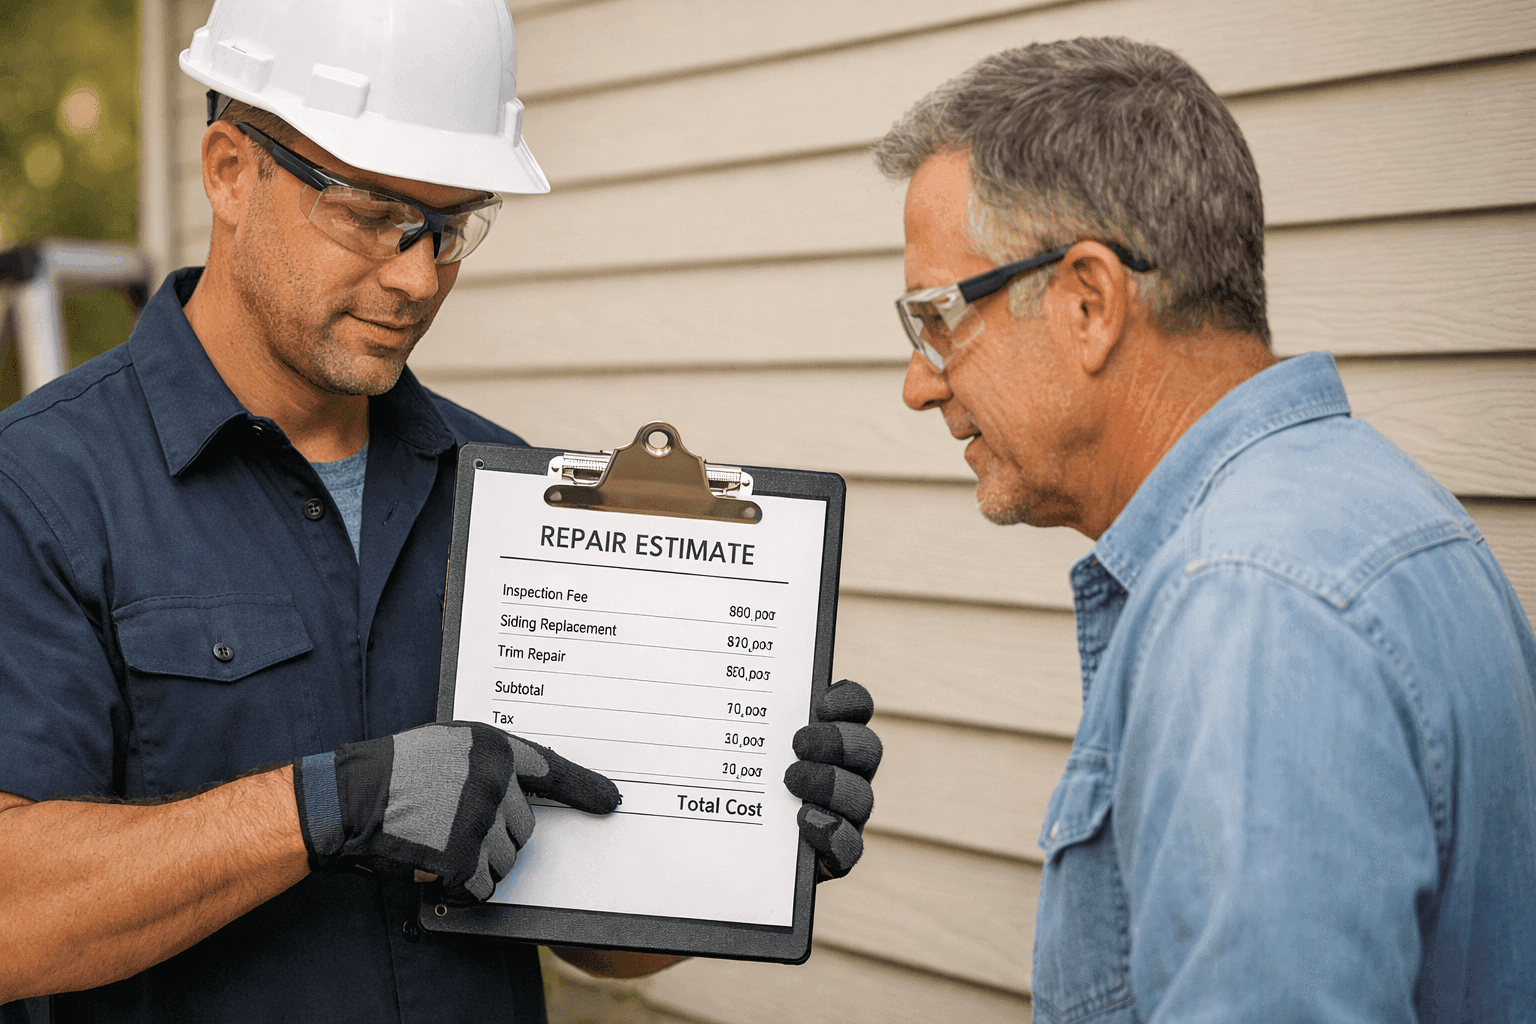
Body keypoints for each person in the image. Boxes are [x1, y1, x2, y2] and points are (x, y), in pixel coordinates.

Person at [0, 1, 879, 1019]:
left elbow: (589, 935)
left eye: (448, 225)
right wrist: (322, 808)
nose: (417, 276)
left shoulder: (510, 495)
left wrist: (755, 834)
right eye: (371, 213)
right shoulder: (44, 486)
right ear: (230, 170)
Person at [875, 36, 1536, 1022]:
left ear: (1089, 303)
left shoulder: (1251, 608)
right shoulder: (1379, 512)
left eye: (935, 318)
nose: (919, 382)